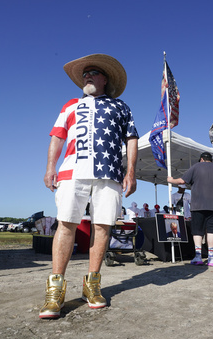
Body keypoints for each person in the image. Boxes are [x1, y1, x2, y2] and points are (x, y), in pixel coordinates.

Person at [41, 53, 139, 319]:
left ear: (105, 79)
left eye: (93, 72)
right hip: (73, 170)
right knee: (66, 223)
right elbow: (57, 137)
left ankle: (92, 286)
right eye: (84, 74)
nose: (87, 76)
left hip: (110, 173)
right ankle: (56, 290)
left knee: (103, 226)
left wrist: (131, 171)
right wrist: (51, 167)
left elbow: (131, 139)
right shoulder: (70, 106)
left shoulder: (121, 107)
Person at [167, 151, 213, 267]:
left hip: (198, 206)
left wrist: (171, 180)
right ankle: (211, 258)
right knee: (212, 231)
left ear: (201, 159)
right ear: (211, 159)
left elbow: (182, 181)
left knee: (197, 231)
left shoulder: (196, 167)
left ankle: (198, 256)